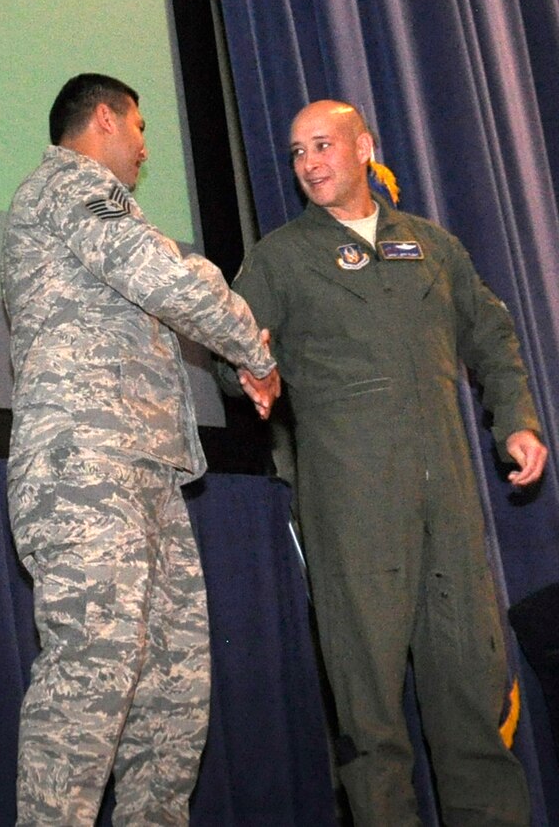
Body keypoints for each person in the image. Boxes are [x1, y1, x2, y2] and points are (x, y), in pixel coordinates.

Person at [229, 99, 546, 826]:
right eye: (297, 151)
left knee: (472, 711)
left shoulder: (433, 247)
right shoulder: (281, 256)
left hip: (451, 517)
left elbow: (494, 342)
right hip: (353, 517)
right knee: (372, 733)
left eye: (322, 145)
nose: (308, 163)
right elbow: (236, 345)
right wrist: (250, 372)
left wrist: (518, 424)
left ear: (364, 147)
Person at [0, 72, 275, 826]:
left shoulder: (107, 208)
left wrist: (239, 339)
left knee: (172, 695)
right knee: (92, 676)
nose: (147, 148)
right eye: (142, 128)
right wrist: (253, 352)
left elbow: (177, 277)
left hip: (142, 470)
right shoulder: (70, 186)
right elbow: (162, 274)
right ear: (105, 119)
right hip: (85, 463)